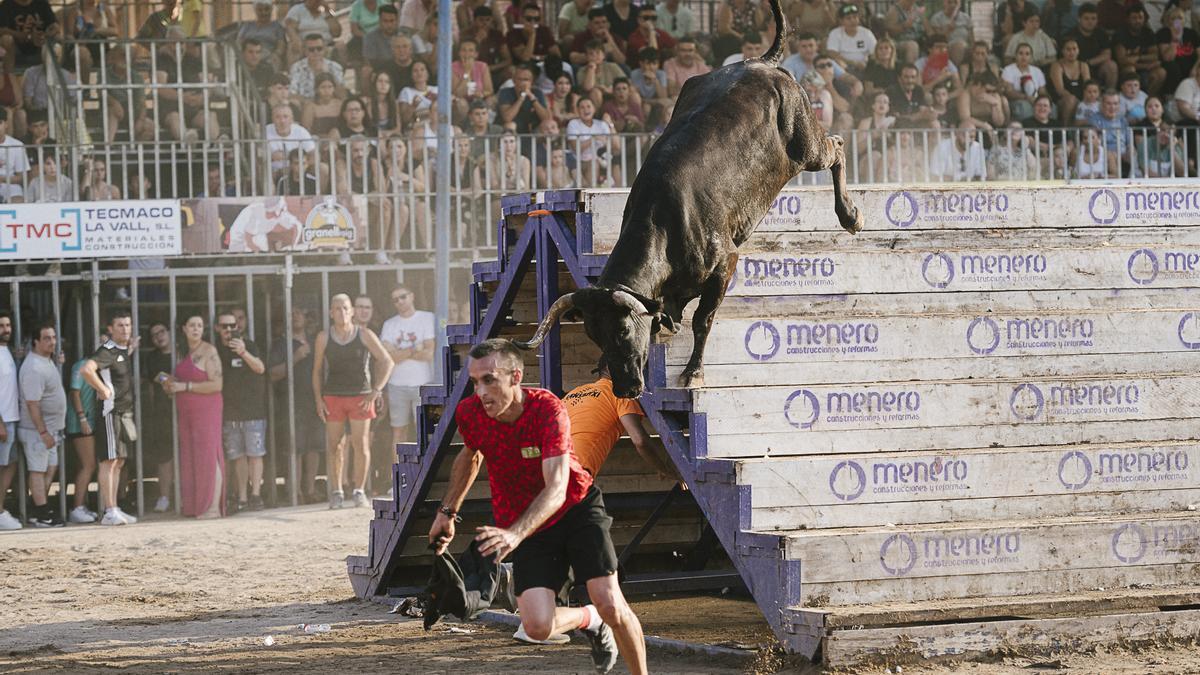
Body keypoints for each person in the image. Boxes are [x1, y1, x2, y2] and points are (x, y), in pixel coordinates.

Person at [428, 339, 647, 674]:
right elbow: (470, 456)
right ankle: (590, 620)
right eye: (474, 381)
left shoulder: (546, 409)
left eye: (489, 380)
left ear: (516, 377)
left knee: (611, 603)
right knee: (537, 627)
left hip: (575, 509)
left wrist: (514, 534)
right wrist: (447, 513)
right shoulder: (471, 413)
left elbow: (557, 487)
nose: (481, 391)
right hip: (528, 525)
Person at [311, 294, 394, 509]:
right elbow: (317, 370)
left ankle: (359, 490)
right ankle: (337, 491)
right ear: (331, 312)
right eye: (337, 309)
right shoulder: (324, 337)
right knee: (334, 445)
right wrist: (318, 399)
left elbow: (387, 361)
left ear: (352, 311)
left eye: (345, 308)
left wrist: (376, 390)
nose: (342, 312)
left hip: (360, 396)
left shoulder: (364, 334)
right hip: (333, 395)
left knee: (361, 443)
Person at [563, 358, 677, 481]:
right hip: (574, 472)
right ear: (609, 368)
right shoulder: (620, 393)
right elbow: (640, 441)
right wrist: (664, 469)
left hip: (547, 466)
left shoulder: (573, 393)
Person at [80, 311, 140, 526]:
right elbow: (86, 370)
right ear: (110, 329)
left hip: (124, 414)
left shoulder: (121, 350)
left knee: (119, 461)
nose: (125, 329)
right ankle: (109, 510)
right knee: (109, 461)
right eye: (120, 325)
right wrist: (102, 389)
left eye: (127, 325)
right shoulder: (108, 350)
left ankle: (114, 508)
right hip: (111, 412)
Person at [163, 314, 224, 519]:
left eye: (199, 325)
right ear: (184, 329)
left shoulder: (209, 351)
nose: (196, 329)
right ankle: (196, 505)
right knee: (192, 457)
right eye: (192, 325)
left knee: (209, 454)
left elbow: (217, 384)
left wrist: (185, 386)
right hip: (187, 412)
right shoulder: (183, 351)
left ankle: (213, 507)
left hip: (206, 409)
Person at [269, 306, 325, 504]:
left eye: (299, 312)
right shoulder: (280, 345)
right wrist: (296, 357)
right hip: (291, 403)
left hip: (316, 401)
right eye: (290, 313)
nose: (295, 316)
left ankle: (309, 490)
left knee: (314, 447)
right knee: (295, 448)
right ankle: (296, 493)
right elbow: (273, 374)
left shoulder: (316, 340)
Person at [216, 311, 267, 513]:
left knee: (255, 454)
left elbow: (261, 368)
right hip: (230, 412)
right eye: (224, 326)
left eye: (232, 326)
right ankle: (243, 498)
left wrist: (244, 352)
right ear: (217, 328)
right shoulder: (216, 351)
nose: (229, 330)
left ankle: (256, 495)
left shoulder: (249, 344)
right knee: (237, 457)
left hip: (253, 411)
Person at [19, 321, 65, 527]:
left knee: (50, 468)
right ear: (35, 342)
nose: (52, 342)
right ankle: (41, 513)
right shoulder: (34, 367)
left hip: (49, 430)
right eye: (47, 338)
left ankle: (38, 507)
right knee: (38, 470)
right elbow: (32, 403)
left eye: (54, 337)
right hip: (37, 430)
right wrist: (43, 431)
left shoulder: (46, 360)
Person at [379, 285, 434, 454]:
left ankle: (425, 472)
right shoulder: (389, 324)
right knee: (398, 432)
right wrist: (414, 349)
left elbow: (428, 353)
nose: (400, 302)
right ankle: (398, 475)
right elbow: (388, 358)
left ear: (412, 296)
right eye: (395, 299)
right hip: (397, 385)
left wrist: (398, 351)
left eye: (403, 297)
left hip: (423, 383)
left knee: (423, 431)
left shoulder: (427, 318)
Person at [141, 321, 176, 513]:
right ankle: (164, 497)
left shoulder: (183, 351)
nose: (159, 336)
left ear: (169, 332)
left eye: (162, 331)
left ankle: (186, 495)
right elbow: (162, 379)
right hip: (163, 412)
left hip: (187, 410)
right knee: (165, 457)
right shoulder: (152, 358)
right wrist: (182, 384)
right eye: (154, 335)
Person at [1115, 4, 1167, 96]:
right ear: (1127, 19)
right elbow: (1123, 61)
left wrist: (1138, 57)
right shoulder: (1121, 34)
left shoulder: (1148, 33)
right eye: (1134, 18)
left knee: (1161, 72)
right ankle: (1131, 100)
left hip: (1143, 67)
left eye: (1140, 17)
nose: (1138, 21)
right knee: (1130, 70)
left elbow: (1155, 56)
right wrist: (1146, 65)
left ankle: (1146, 100)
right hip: (1125, 70)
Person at [0, 0, 60, 73]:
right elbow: (2, 30)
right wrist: (28, 37)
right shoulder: (7, 4)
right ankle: (8, 79)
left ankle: (53, 78)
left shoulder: (42, 3)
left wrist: (45, 35)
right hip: (16, 48)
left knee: (57, 39)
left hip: (41, 46)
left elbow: (54, 25)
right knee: (6, 39)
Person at [1068, 3, 1118, 90]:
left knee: (1111, 66)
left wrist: (1089, 63)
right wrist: (1083, 67)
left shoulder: (1101, 33)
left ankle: (1110, 95)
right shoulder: (1071, 35)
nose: (1090, 22)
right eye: (1086, 18)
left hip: (1096, 67)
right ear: (1079, 19)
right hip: (1076, 69)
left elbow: (1107, 54)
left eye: (1093, 18)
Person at [290, 33, 346, 100]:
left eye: (319, 49)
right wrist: (310, 104)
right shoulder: (297, 67)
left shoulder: (335, 66)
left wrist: (327, 74)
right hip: (305, 105)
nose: (315, 52)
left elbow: (343, 96)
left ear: (325, 49)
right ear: (305, 51)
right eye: (311, 49)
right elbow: (292, 94)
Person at [1002, 43, 1048, 122]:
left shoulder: (1037, 71)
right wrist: (1027, 98)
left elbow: (1042, 91)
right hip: (1018, 101)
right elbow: (1009, 92)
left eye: (1027, 54)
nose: (1024, 57)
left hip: (1036, 100)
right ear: (1016, 55)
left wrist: (1040, 101)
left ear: (1031, 57)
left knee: (1052, 107)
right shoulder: (1008, 70)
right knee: (1023, 107)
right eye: (1020, 53)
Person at [825, 4, 876, 74]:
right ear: (841, 21)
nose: (853, 20)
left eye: (855, 17)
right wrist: (853, 63)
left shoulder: (866, 33)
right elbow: (832, 53)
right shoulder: (835, 33)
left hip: (864, 66)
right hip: (844, 66)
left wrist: (869, 63)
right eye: (848, 18)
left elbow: (875, 52)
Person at [0, 313, 16, 530]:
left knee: (10, 465)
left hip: (12, 419)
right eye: (1, 326)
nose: (6, 329)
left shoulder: (7, 352)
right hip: (3, 421)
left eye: (8, 325)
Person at [927, 0, 972, 65]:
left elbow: (971, 38)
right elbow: (938, 40)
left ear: (959, 4)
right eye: (949, 2)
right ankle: (955, 70)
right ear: (944, 3)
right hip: (948, 46)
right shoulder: (937, 18)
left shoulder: (966, 17)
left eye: (955, 3)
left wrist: (973, 47)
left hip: (966, 47)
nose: (953, 5)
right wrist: (948, 30)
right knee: (958, 46)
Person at [0, 108, 27, 203]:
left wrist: (2, 179)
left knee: (18, 201)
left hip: (10, 185)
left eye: (0, 123)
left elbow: (21, 177)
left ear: (6, 124)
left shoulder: (17, 145)